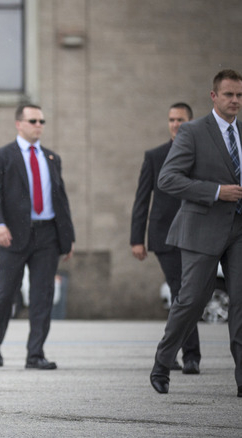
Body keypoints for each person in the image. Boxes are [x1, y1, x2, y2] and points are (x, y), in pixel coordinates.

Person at [151, 69, 242, 398]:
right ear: (214, 96)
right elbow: (168, 179)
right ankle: (162, 362)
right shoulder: (192, 132)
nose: (235, 101)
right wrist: (217, 191)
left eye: (240, 95)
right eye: (229, 94)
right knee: (191, 301)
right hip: (202, 227)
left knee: (241, 303)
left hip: (238, 229)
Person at [0, 103, 75, 370]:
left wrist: (67, 238)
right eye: (33, 121)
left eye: (42, 121)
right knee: (5, 294)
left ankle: (35, 354)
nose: (39, 126)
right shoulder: (1, 156)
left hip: (47, 235)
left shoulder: (52, 158)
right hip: (11, 235)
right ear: (18, 124)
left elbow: (62, 200)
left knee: (42, 295)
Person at [131, 102, 201, 374]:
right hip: (165, 236)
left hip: (196, 233)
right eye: (172, 119)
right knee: (181, 292)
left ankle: (170, 352)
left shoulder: (202, 154)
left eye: (181, 119)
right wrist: (136, 238)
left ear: (191, 122)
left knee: (188, 294)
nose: (175, 124)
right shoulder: (155, 156)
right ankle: (190, 355)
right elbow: (141, 200)